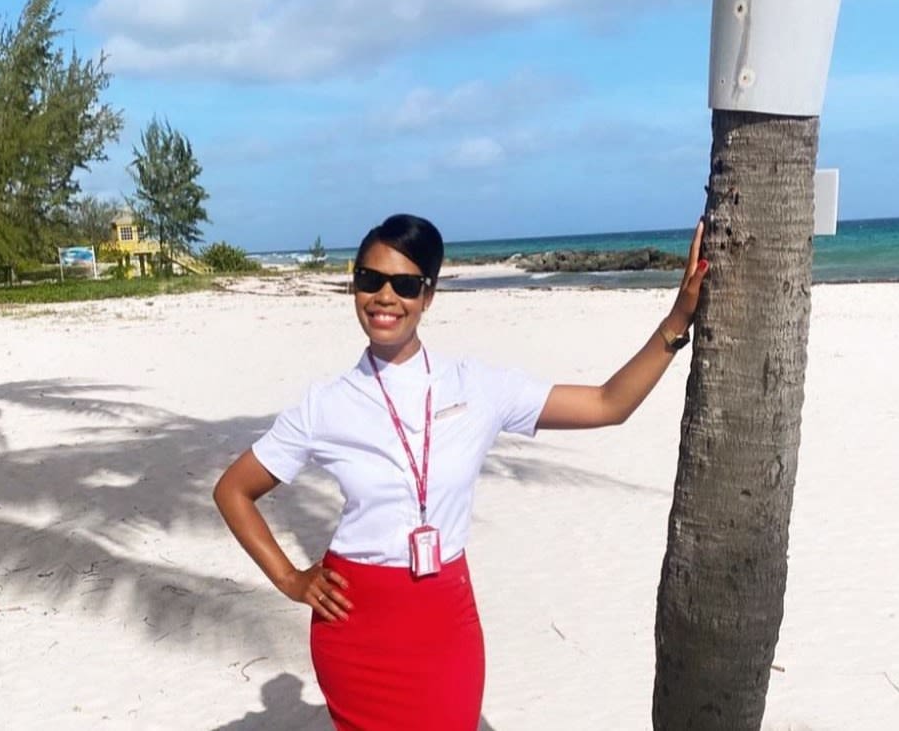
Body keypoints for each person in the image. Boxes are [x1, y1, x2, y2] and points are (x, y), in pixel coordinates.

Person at [213, 213, 708, 730]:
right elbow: (234, 491)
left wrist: (678, 319)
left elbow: (609, 403)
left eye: (404, 284)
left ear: (428, 296)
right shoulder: (326, 405)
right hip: (354, 626)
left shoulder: (477, 388)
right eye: (368, 280)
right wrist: (290, 579)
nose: (384, 297)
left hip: (442, 621)